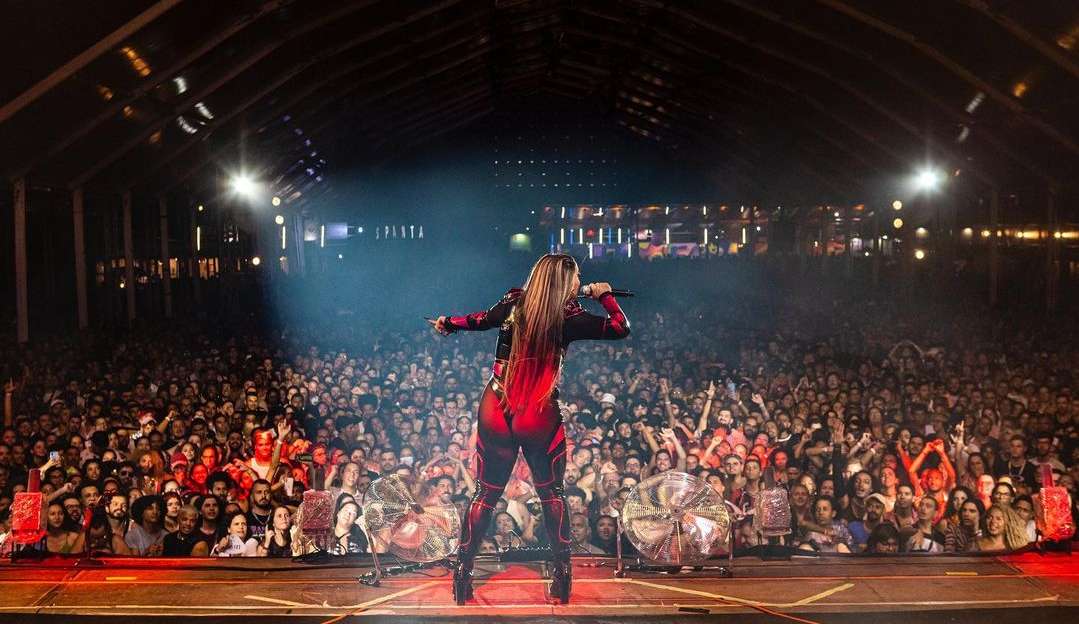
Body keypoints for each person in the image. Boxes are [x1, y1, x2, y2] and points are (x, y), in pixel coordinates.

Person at [429, 253, 629, 605]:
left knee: (485, 494)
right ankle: (562, 575)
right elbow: (619, 327)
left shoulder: (513, 301)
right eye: (577, 276)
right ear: (566, 281)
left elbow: (477, 320)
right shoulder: (571, 316)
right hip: (537, 409)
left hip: (497, 403)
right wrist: (605, 294)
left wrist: (448, 322)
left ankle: (463, 573)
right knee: (552, 494)